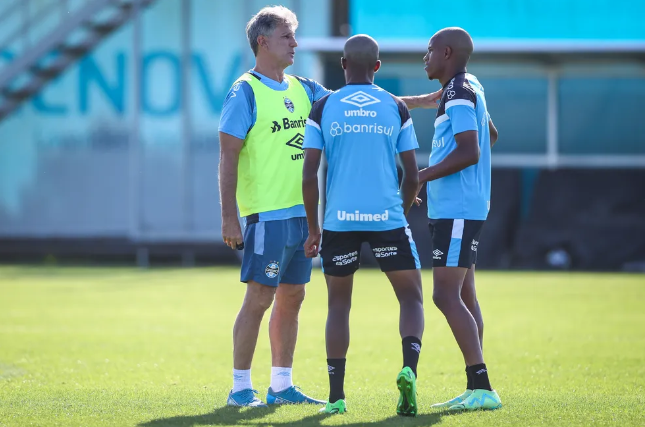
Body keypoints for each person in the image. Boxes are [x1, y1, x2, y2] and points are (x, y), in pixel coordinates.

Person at [219, 5, 442, 408]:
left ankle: (281, 384)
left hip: (303, 216)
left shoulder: (304, 88)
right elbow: (228, 156)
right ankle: (239, 389)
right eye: (287, 36)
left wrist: (422, 101)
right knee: (258, 299)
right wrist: (228, 216)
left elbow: (364, 99)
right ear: (263, 41)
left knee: (293, 298)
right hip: (266, 216)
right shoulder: (245, 91)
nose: (295, 43)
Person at [302, 34, 424, 417]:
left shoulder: (323, 107)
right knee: (411, 298)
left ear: (342, 65)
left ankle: (336, 397)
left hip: (339, 219)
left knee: (338, 305)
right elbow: (413, 175)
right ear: (377, 67)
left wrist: (314, 227)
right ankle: (409, 369)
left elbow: (308, 175)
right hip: (387, 217)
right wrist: (400, 213)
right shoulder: (395, 106)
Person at [418, 27, 501, 411]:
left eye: (430, 50)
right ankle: (476, 387)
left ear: (446, 53)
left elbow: (470, 151)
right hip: (461, 206)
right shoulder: (470, 87)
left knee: (444, 294)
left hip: (457, 208)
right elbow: (490, 135)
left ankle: (482, 386)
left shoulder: (458, 91)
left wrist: (421, 174)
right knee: (465, 295)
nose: (425, 56)